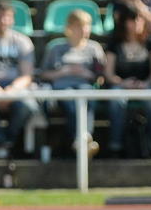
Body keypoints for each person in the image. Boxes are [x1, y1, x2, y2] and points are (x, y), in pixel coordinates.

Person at [39, 9, 106, 157]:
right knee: (71, 101)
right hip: (62, 87)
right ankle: (83, 138)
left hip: (85, 85)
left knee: (86, 98)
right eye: (80, 26)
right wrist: (64, 71)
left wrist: (86, 73)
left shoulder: (94, 48)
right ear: (69, 27)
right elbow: (43, 74)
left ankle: (80, 139)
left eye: (87, 25)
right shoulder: (55, 48)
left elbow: (101, 77)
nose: (84, 30)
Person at [104, 5, 151, 160]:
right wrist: (123, 83)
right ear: (124, 22)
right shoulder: (114, 42)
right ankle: (115, 146)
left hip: (145, 85)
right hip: (121, 85)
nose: (137, 22)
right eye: (132, 19)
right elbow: (109, 74)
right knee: (116, 101)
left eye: (140, 19)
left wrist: (145, 83)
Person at [0, 0, 37, 160]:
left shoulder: (23, 41)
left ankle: (4, 142)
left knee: (29, 105)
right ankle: (4, 142)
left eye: (8, 17)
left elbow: (27, 75)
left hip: (15, 88)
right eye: (0, 16)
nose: (4, 20)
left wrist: (10, 91)